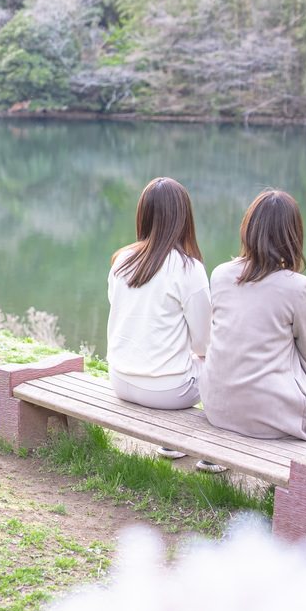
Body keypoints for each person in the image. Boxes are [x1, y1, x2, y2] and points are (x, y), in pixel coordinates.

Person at [202, 188, 306, 446]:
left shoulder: (220, 274)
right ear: (292, 235)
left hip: (217, 405)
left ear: (248, 228)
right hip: (265, 416)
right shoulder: (297, 287)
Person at [106, 178, 212, 462]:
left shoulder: (122, 261)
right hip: (169, 392)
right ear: (184, 218)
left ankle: (172, 441)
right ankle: (213, 448)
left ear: (143, 214)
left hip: (120, 380)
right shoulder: (189, 269)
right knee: (223, 365)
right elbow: (205, 343)